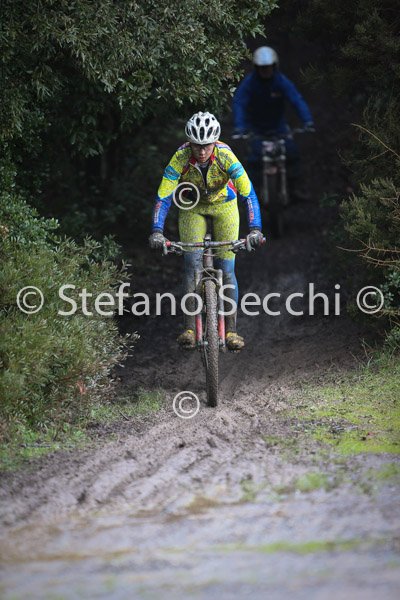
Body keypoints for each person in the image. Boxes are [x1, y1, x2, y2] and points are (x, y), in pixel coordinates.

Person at [149, 111, 264, 351]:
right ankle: (190, 328)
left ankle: (231, 331)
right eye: (196, 145)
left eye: (207, 145)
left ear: (215, 142)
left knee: (227, 269)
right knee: (191, 266)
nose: (202, 151)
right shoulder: (180, 157)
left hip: (225, 206)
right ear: (189, 142)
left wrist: (255, 229)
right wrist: (157, 231)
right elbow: (164, 195)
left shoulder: (226, 155)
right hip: (192, 208)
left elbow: (248, 193)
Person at [233, 46, 315, 200]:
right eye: (262, 67)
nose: (265, 70)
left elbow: (296, 100)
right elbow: (239, 103)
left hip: (279, 128)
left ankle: (294, 189)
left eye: (268, 67)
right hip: (255, 129)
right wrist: (239, 127)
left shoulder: (281, 81)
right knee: (253, 160)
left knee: (292, 153)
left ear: (274, 66)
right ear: (256, 67)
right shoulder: (250, 83)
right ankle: (251, 194)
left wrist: (307, 121)